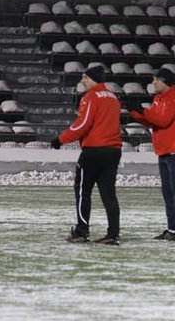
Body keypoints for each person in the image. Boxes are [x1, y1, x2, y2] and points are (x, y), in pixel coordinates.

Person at [51, 65, 123, 245]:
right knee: (109, 194)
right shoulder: (113, 98)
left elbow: (82, 123)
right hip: (113, 151)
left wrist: (61, 139)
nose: (82, 81)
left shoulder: (91, 97)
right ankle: (113, 234)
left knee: (83, 191)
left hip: (94, 151)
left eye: (85, 77)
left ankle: (82, 231)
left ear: (93, 79)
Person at [124, 67, 175, 241]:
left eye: (156, 79)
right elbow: (150, 120)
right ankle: (172, 228)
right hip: (164, 150)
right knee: (168, 192)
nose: (153, 83)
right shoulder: (159, 99)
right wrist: (134, 110)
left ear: (165, 81)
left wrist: (142, 110)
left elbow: (162, 120)